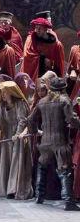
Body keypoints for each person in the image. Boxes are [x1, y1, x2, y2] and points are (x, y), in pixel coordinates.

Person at [26, 78, 80, 211]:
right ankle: (69, 201)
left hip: (45, 141)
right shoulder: (64, 100)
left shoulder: (42, 102)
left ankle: (39, 196)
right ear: (63, 89)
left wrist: (34, 132)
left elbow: (30, 120)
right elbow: (71, 120)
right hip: (60, 141)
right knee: (65, 171)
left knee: (42, 168)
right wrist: (77, 122)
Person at [0, 81, 33, 200]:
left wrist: (17, 134)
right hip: (6, 136)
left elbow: (22, 120)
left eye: (5, 92)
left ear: (11, 92)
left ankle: (14, 189)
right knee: (5, 162)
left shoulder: (20, 104)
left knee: (16, 162)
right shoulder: (1, 106)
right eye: (1, 93)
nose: (2, 95)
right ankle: (4, 188)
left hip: (18, 138)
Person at [22, 17, 65, 83]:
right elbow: (27, 55)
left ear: (45, 29)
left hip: (49, 74)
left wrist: (51, 62)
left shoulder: (56, 45)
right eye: (36, 28)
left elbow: (59, 63)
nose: (37, 30)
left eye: (39, 28)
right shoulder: (31, 39)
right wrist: (42, 58)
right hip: (35, 73)